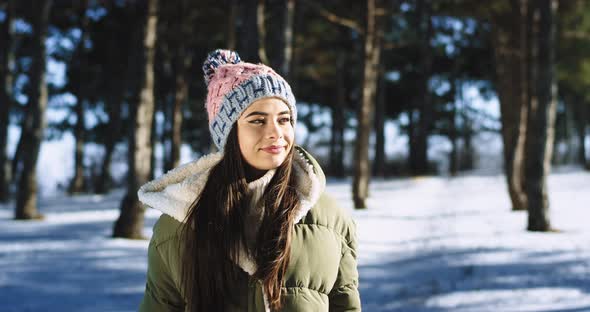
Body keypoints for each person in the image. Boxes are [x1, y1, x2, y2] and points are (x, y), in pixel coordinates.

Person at [137, 49, 360, 312]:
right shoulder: (178, 224)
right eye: (257, 120)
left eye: (284, 119)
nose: (276, 133)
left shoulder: (331, 218)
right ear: (229, 134)